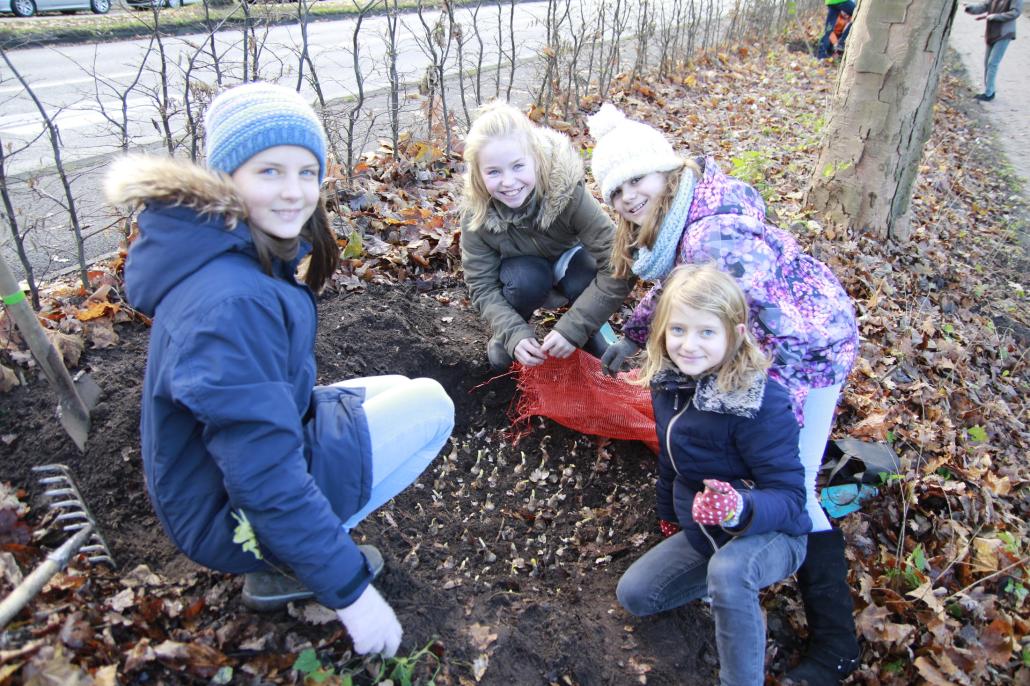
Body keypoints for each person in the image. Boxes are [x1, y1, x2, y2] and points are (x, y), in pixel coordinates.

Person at [105, 82, 455, 658]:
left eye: (307, 172)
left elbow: (255, 411)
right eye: (269, 172)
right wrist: (350, 593)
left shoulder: (225, 250)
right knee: (433, 407)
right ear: (227, 179)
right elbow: (263, 476)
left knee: (396, 389)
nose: (295, 193)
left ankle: (299, 543)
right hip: (231, 514)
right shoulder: (231, 301)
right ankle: (288, 565)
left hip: (209, 483)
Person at [588, 103, 860, 685]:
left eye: (637, 179)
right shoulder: (681, 216)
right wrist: (638, 335)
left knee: (797, 486)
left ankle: (837, 646)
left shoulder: (716, 234)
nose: (629, 197)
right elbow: (682, 295)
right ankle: (727, 558)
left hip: (805, 348)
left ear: (667, 170)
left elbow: (766, 328)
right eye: (616, 190)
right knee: (746, 458)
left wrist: (767, 412)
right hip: (759, 340)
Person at [617, 264, 810, 686]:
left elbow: (792, 498)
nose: (689, 345)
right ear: (662, 332)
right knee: (636, 594)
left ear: (735, 335)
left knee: (730, 571)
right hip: (708, 530)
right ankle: (722, 592)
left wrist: (741, 507)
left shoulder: (761, 403)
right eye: (678, 330)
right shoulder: (668, 383)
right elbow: (672, 459)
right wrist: (667, 514)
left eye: (707, 332)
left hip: (773, 531)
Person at [459, 101, 634, 371]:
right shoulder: (476, 212)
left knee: (584, 273)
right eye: (494, 172)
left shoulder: (567, 191)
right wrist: (513, 333)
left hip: (570, 263)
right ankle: (510, 334)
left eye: (518, 166)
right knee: (527, 280)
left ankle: (592, 331)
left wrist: (574, 327)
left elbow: (618, 263)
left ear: (536, 158)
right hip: (522, 273)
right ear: (479, 176)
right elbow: (481, 285)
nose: (508, 182)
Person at [964, 0, 1023, 102]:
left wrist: (996, 16)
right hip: (991, 33)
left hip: (1005, 33)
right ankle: (989, 90)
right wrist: (970, 8)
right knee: (987, 63)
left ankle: (989, 93)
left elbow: (1015, 12)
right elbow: (984, 6)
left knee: (992, 63)